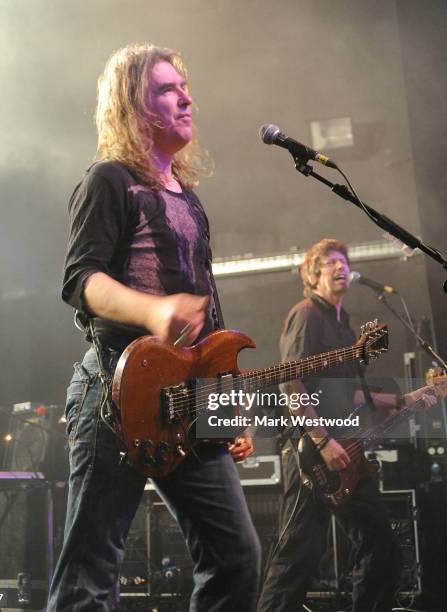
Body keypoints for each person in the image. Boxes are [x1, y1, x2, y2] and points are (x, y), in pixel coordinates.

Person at [47, 43, 260, 611]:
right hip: (116, 394)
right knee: (89, 579)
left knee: (236, 558)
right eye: (168, 89)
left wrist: (225, 402)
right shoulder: (109, 181)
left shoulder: (188, 199)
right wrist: (152, 311)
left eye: (184, 86)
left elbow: (208, 310)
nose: (186, 96)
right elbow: (80, 280)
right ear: (133, 104)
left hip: (189, 401)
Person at [257, 238, 437, 612]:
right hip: (313, 454)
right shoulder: (307, 314)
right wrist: (323, 441)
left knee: (381, 545)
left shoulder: (345, 327)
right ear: (314, 273)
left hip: (347, 451)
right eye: (331, 262)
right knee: (297, 557)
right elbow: (291, 380)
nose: (341, 267)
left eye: (344, 261)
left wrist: (409, 398)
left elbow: (354, 394)